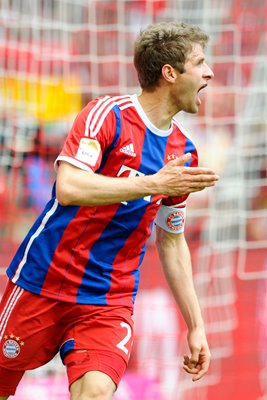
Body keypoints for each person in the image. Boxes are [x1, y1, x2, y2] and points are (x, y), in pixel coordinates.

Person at [0, 21, 218, 400]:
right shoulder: (107, 115)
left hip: (107, 299)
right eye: (199, 63)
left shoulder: (183, 152)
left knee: (97, 392)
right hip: (43, 281)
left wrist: (196, 324)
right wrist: (153, 183)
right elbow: (69, 188)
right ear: (169, 73)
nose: (209, 72)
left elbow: (171, 241)